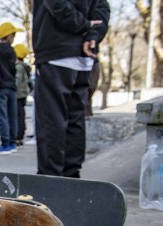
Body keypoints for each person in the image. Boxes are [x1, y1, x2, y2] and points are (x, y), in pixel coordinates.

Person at [33, 0, 109, 178]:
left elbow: (57, 4)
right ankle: (72, 176)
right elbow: (102, 8)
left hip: (55, 51)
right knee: (75, 119)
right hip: (84, 56)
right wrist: (93, 35)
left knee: (51, 120)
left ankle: (50, 178)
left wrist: (83, 26)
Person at [0, 22, 23, 156]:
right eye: (14, 35)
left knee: (2, 116)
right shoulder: (12, 50)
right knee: (12, 116)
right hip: (12, 87)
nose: (14, 38)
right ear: (9, 36)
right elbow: (14, 69)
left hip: (1, 87)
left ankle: (5, 144)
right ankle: (12, 143)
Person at [13, 44, 32, 147]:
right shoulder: (24, 66)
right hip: (22, 94)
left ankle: (18, 137)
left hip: (18, 95)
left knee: (18, 116)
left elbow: (17, 80)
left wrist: (12, 87)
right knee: (21, 116)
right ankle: (20, 136)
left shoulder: (19, 67)